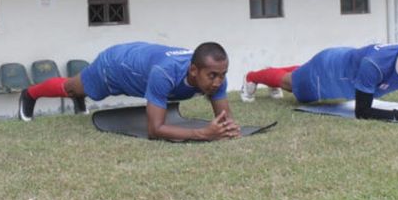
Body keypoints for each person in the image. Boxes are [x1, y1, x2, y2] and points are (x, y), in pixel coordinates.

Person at [18, 42, 241, 141]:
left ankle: (79, 98)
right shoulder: (164, 73)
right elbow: (155, 129)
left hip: (140, 60)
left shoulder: (215, 74)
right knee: (72, 87)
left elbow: (226, 122)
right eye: (212, 76)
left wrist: (226, 128)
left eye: (223, 75)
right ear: (193, 70)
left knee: (79, 90)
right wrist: (203, 133)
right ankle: (30, 94)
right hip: (115, 65)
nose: (218, 82)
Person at [241, 24, 398, 122]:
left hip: (346, 62)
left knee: (296, 75)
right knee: (291, 84)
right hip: (329, 70)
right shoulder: (374, 65)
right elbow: (362, 111)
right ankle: (252, 77)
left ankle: (270, 76)